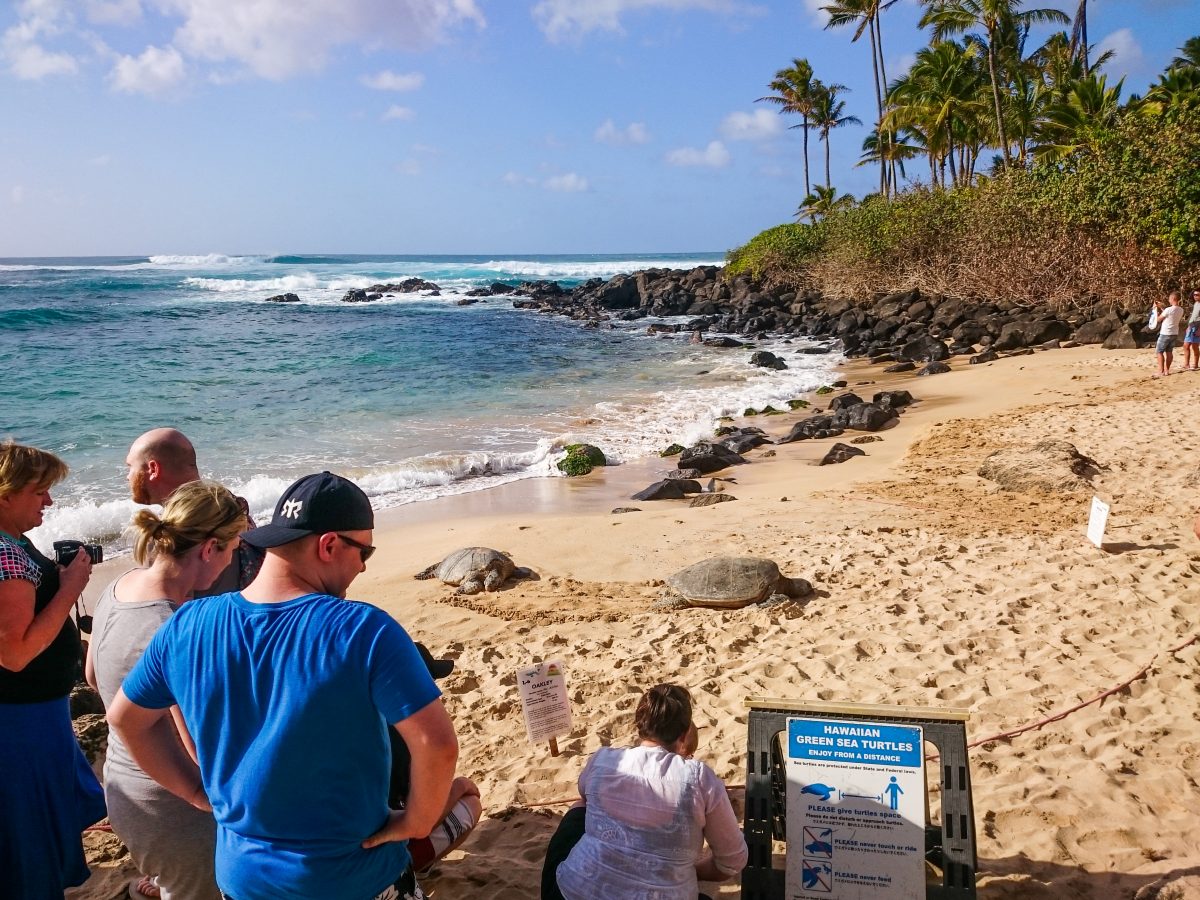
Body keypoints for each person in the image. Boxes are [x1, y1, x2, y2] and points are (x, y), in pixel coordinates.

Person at [107, 471, 459, 900]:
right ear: (329, 545)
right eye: (364, 551)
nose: (364, 566)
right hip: (349, 877)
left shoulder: (187, 625)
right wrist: (416, 823)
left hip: (244, 878)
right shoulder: (362, 630)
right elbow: (437, 744)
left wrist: (197, 792)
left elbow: (125, 720)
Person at [86, 481, 248, 900]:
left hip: (124, 786)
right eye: (232, 548)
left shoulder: (119, 587)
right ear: (210, 548)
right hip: (175, 805)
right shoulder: (175, 627)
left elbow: (93, 677)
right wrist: (201, 793)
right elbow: (199, 746)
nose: (231, 559)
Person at [0, 441, 106, 899]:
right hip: (21, 719)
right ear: (5, 494)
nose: (49, 501)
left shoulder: (14, 542)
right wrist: (71, 588)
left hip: (34, 711)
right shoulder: (5, 554)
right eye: (39, 491)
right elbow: (15, 653)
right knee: (29, 831)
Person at [542, 684, 747, 900]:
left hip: (572, 892)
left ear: (640, 726)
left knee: (580, 806)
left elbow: (584, 794)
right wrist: (692, 872)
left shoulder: (602, 760)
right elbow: (732, 861)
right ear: (686, 733)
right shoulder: (699, 778)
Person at [125, 427, 260, 594]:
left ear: (153, 469)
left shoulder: (175, 532)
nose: (128, 476)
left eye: (130, 467)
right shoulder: (227, 507)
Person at [388, 643, 482, 873]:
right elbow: (422, 819)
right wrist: (460, 786)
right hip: (381, 860)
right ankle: (415, 869)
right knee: (471, 803)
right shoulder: (414, 735)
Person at [1154, 291, 1185, 377]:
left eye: (1169, 298)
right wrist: (1161, 308)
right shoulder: (1181, 310)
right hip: (1174, 333)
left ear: (1173, 299)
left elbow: (1159, 319)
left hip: (1165, 333)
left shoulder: (1168, 310)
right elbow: (1169, 315)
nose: (1169, 300)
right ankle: (1167, 370)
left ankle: (1161, 371)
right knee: (1169, 352)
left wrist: (1156, 311)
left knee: (1159, 351)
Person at [1183, 288, 1200, 371]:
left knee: (1195, 346)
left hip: (1197, 326)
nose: (1195, 296)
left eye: (1197, 295)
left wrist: (1199, 329)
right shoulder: (1196, 303)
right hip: (1191, 325)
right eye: (1194, 294)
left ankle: (1196, 364)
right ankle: (1186, 364)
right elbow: (1193, 316)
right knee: (1186, 345)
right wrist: (1188, 326)